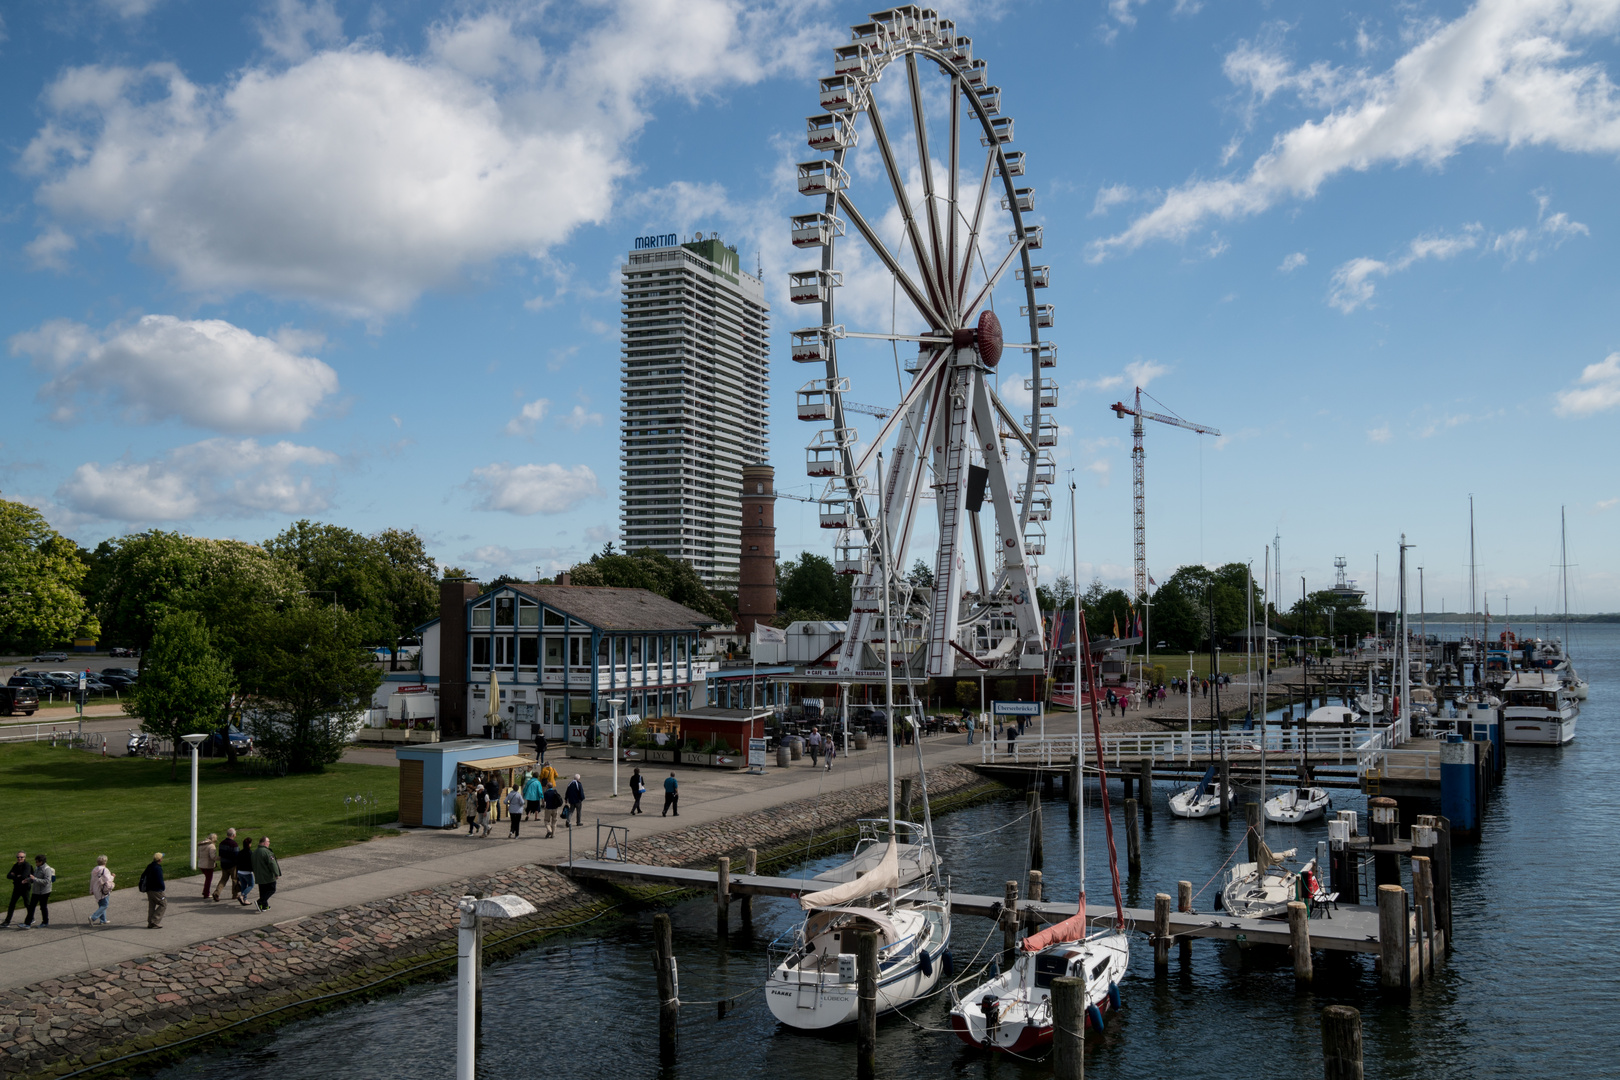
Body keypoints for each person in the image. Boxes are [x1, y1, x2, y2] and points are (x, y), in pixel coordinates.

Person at [21, 854, 53, 928]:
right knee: (31, 907)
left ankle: (45, 922)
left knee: (43, 907)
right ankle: (27, 923)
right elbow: (34, 877)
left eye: (37, 862)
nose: (36, 863)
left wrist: (34, 879)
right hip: (36, 891)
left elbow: (46, 881)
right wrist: (28, 880)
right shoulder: (37, 868)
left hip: (44, 892)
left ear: (41, 862)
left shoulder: (47, 869)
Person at [251, 838, 281, 911]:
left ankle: (264, 906)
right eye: (268, 841)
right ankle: (260, 901)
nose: (269, 843)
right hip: (267, 876)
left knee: (263, 891)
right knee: (272, 889)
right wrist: (276, 873)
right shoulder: (267, 852)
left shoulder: (254, 852)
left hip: (259, 875)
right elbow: (272, 864)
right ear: (264, 843)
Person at [212, 829, 240, 903]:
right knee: (234, 879)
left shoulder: (222, 843)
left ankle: (216, 893)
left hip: (224, 864)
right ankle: (235, 894)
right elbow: (237, 855)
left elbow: (221, 853)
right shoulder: (234, 844)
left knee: (223, 879)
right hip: (232, 865)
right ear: (233, 835)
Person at [3, 851, 30, 926]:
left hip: (25, 888)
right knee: (12, 904)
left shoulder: (27, 865)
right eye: (18, 857)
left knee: (27, 904)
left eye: (21, 857)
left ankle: (31, 918)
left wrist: (15, 876)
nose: (19, 858)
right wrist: (17, 876)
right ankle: (7, 921)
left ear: (24, 858)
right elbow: (8, 875)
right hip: (17, 888)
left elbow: (24, 876)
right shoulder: (15, 865)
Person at [139, 852, 166, 928]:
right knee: (163, 903)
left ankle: (150, 922)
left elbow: (143, 875)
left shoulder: (150, 866)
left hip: (149, 889)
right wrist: (162, 888)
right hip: (156, 890)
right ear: (160, 859)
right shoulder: (158, 868)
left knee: (152, 905)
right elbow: (160, 880)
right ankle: (155, 920)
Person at [89, 856, 114, 925]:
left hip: (96, 889)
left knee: (101, 904)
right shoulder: (105, 870)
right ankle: (93, 917)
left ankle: (103, 920)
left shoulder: (94, 870)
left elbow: (92, 881)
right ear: (105, 862)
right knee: (105, 905)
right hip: (103, 889)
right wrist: (113, 876)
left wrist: (91, 889)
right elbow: (108, 880)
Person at [197, 833, 219, 898]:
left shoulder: (201, 845)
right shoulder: (211, 846)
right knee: (208, 880)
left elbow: (198, 855)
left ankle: (205, 891)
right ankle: (206, 893)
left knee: (207, 879)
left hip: (201, 865)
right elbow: (213, 857)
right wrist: (220, 858)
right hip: (208, 866)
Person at [235, 840, 256, 906]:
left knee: (243, 886)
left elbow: (237, 863)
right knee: (251, 885)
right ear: (249, 844)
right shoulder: (250, 853)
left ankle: (245, 900)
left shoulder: (240, 852)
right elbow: (252, 863)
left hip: (239, 872)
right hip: (247, 872)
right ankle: (242, 896)